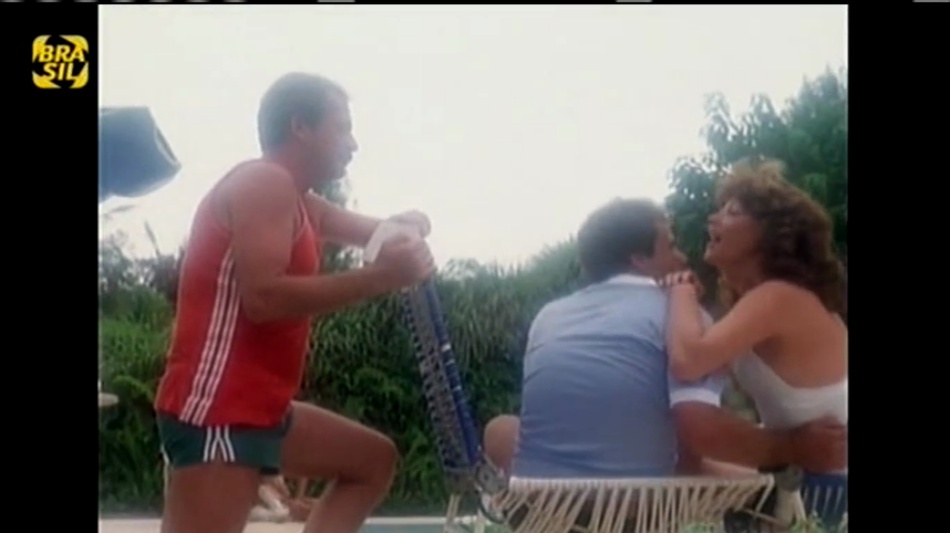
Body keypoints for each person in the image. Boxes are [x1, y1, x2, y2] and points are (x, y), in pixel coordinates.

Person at [153, 72, 436, 533]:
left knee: (372, 461)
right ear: (300, 126)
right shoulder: (264, 183)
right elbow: (264, 298)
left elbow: (377, 232)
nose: (353, 144)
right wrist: (384, 277)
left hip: (261, 408)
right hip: (220, 409)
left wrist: (406, 225)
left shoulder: (302, 203)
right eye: (342, 128)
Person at [483, 197, 846, 480]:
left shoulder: (549, 316)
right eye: (671, 247)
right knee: (722, 464)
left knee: (501, 430)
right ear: (639, 260)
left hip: (545, 501)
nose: (682, 257)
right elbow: (699, 430)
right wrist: (793, 447)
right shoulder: (680, 315)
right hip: (641, 502)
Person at [662, 157, 848, 473]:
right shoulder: (762, 303)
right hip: (817, 475)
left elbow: (688, 362)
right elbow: (704, 363)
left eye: (732, 212)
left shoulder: (780, 297)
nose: (713, 219)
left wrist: (680, 291)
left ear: (771, 234)